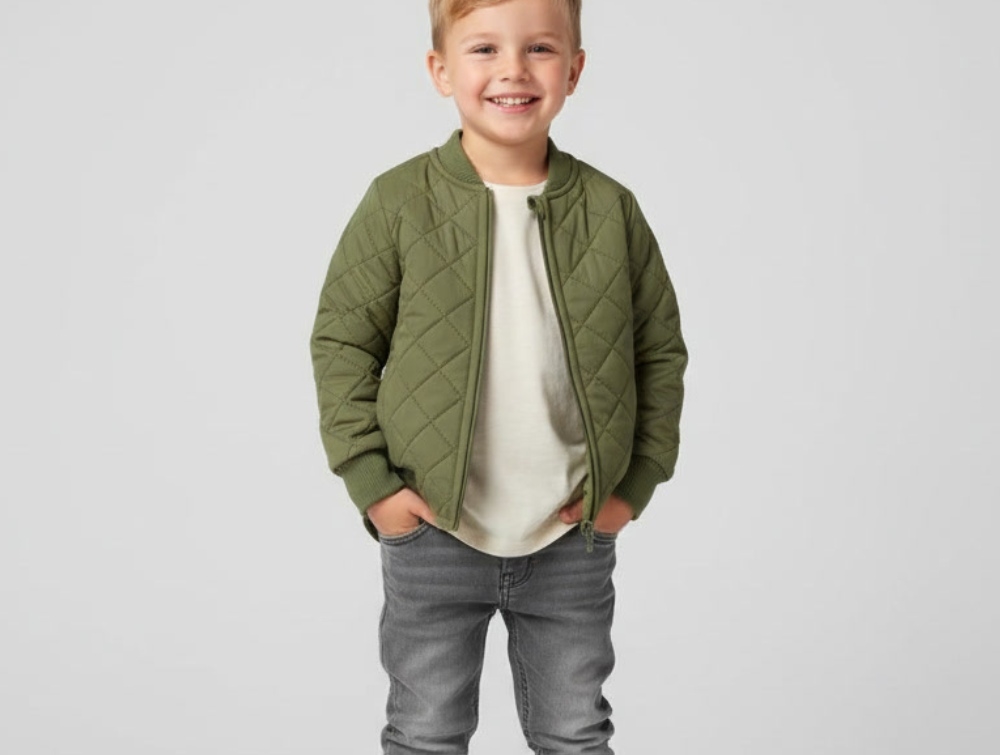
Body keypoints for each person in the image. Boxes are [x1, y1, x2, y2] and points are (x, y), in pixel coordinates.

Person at [309, 0, 687, 751]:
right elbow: (342, 343)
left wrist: (633, 485)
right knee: (426, 733)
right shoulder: (399, 201)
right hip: (435, 533)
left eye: (540, 48)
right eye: (484, 49)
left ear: (574, 70)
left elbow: (659, 352)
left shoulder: (611, 210)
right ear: (440, 69)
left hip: (570, 533)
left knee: (576, 733)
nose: (513, 69)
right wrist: (375, 486)